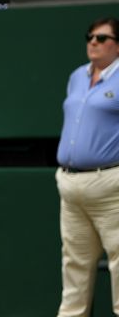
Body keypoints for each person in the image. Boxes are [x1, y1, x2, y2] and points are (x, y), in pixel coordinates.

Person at [56, 17, 119, 317]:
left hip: (111, 185)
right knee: (74, 262)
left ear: (117, 46)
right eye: (90, 36)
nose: (93, 42)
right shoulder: (77, 76)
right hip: (70, 186)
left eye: (102, 38)